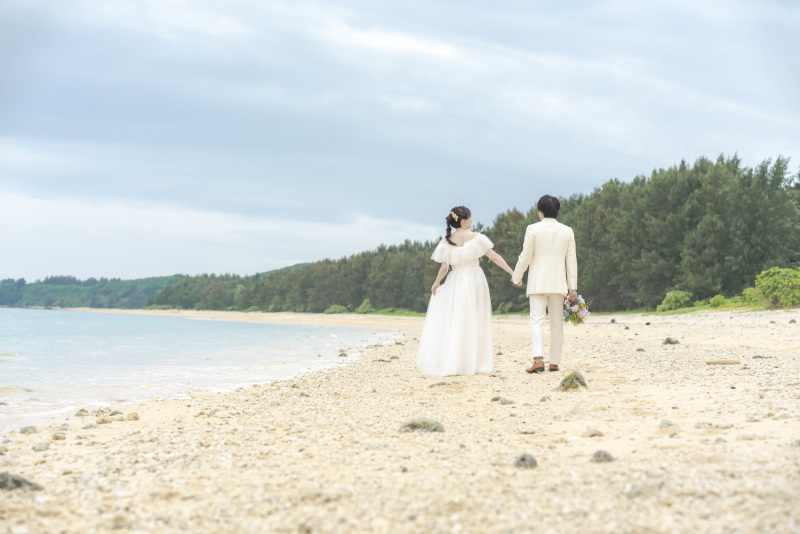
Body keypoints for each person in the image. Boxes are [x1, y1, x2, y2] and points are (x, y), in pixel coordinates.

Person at [417, 206, 515, 376]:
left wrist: (436, 283)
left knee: (456, 319)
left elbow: (444, 267)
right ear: (463, 221)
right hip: (475, 280)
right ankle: (474, 363)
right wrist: (512, 273)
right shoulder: (478, 238)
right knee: (475, 319)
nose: (471, 221)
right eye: (470, 218)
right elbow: (495, 257)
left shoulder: (447, 240)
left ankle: (456, 362)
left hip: (454, 281)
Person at [511, 194, 578, 373]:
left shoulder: (532, 229)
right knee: (557, 323)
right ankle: (554, 362)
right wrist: (573, 287)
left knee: (537, 320)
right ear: (557, 211)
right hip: (558, 283)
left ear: (540, 212)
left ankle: (538, 359)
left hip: (537, 282)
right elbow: (571, 260)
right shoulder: (567, 231)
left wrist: (517, 275)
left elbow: (525, 255)